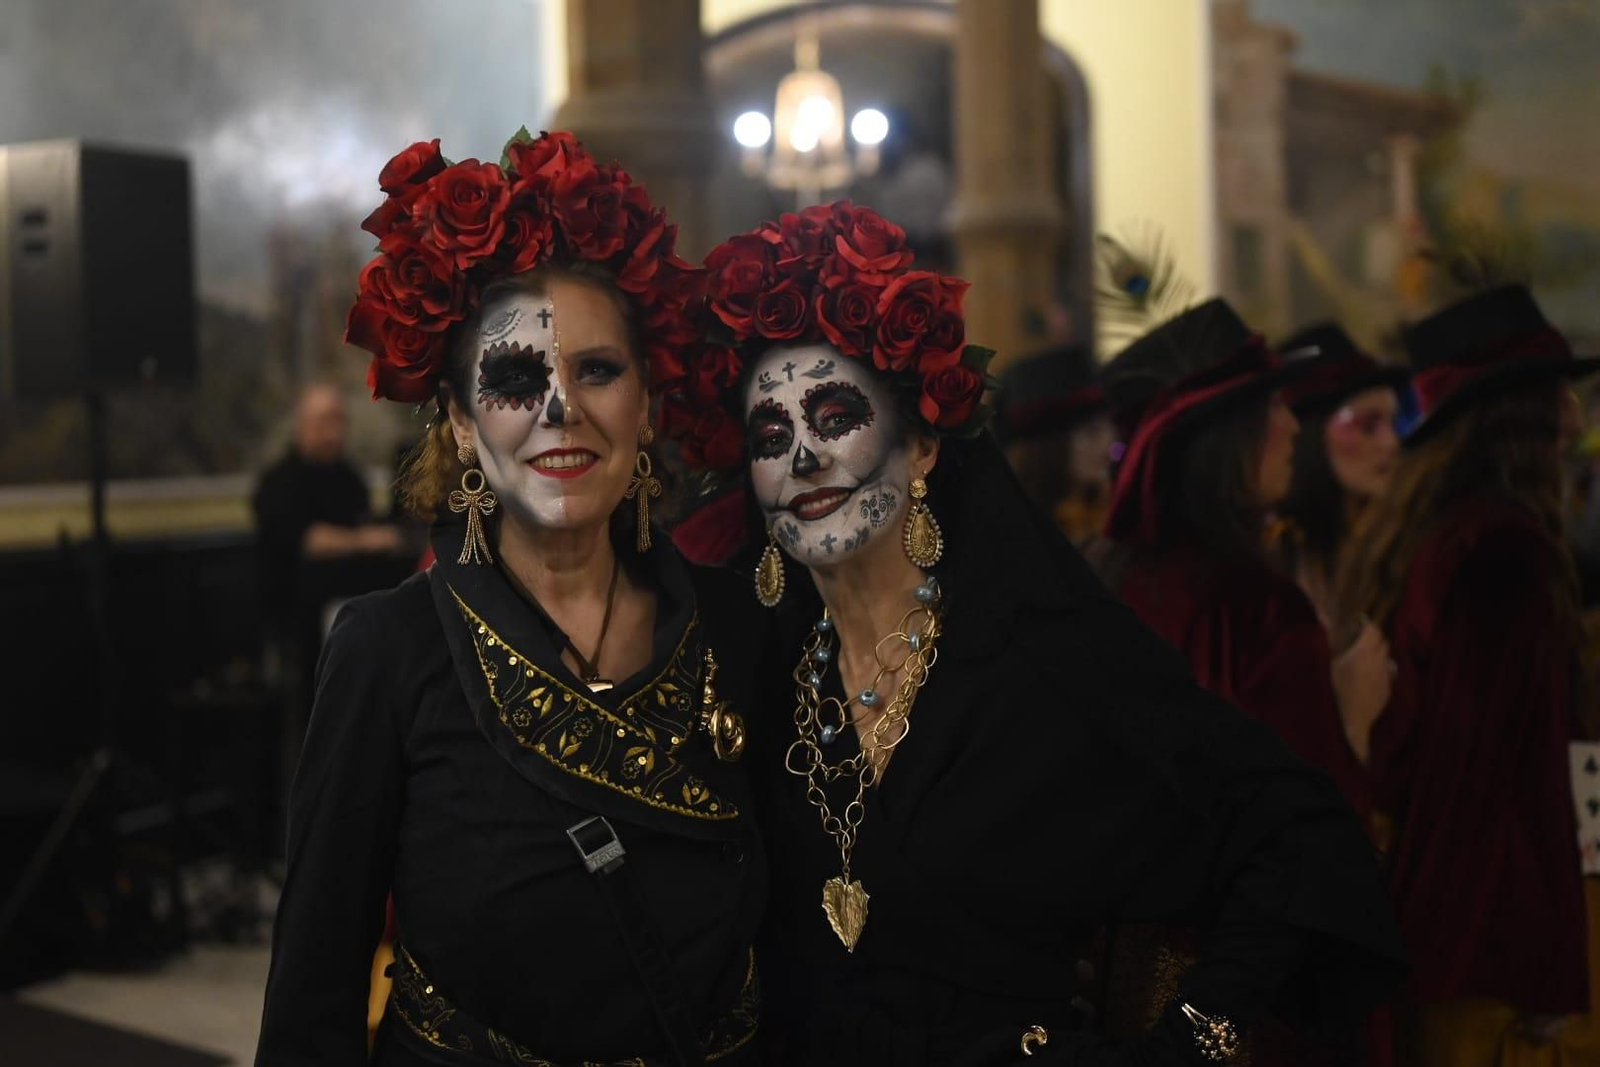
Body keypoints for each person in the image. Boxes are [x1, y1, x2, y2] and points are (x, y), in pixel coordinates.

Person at [659, 203, 1406, 1065]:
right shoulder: (756, 668)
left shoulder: (1040, 660)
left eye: (834, 416)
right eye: (770, 433)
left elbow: (1295, 832)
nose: (801, 458)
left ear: (923, 447)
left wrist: (1192, 1044)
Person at [256, 130, 764, 1066]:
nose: (560, 409)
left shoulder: (737, 626)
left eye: (597, 370)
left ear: (647, 405)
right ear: (458, 420)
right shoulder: (387, 650)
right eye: (515, 379)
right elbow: (313, 990)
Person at [1333, 284, 1597, 1067]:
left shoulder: (1443, 533)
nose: (1576, 423)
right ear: (1518, 415)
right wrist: (1545, 974)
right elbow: (1481, 786)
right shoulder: (1503, 554)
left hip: (1443, 950)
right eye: (1558, 397)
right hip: (1487, 969)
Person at [1091, 300, 1388, 810]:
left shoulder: (1101, 579)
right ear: (1230, 435)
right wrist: (1354, 719)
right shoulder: (1262, 611)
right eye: (1273, 405)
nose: (1295, 425)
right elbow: (1311, 845)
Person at [1271, 324, 1409, 625]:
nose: (1391, 443)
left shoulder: (1405, 551)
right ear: (1311, 439)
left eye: (1393, 422)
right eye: (1368, 425)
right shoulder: (1273, 563)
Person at [997, 343, 1115, 546]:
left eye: (1110, 428)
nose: (1109, 443)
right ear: (1050, 448)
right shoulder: (1014, 536)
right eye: (1092, 432)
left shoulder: (1109, 516)